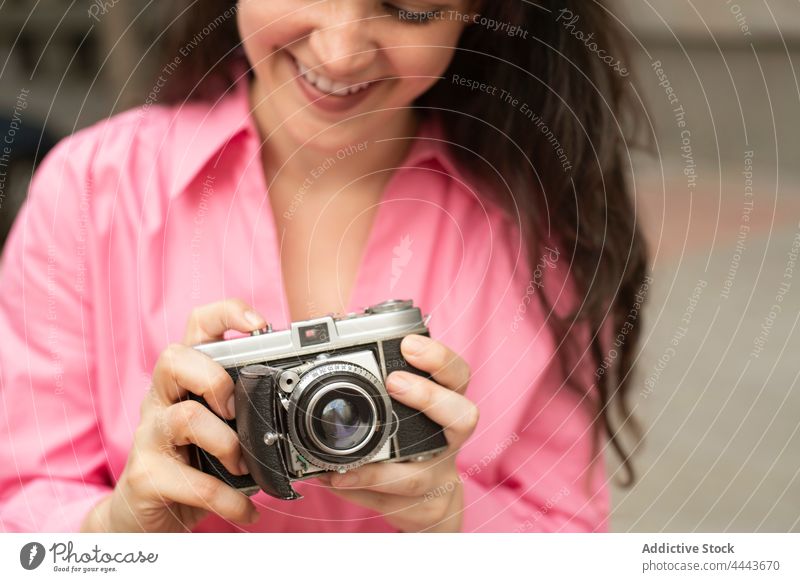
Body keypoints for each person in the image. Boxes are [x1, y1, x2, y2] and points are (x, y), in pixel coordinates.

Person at [0, 0, 649, 533]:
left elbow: (565, 532)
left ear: (479, 12)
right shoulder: (90, 192)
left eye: (411, 10)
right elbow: (21, 503)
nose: (339, 51)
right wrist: (117, 530)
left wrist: (454, 523)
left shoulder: (544, 239)